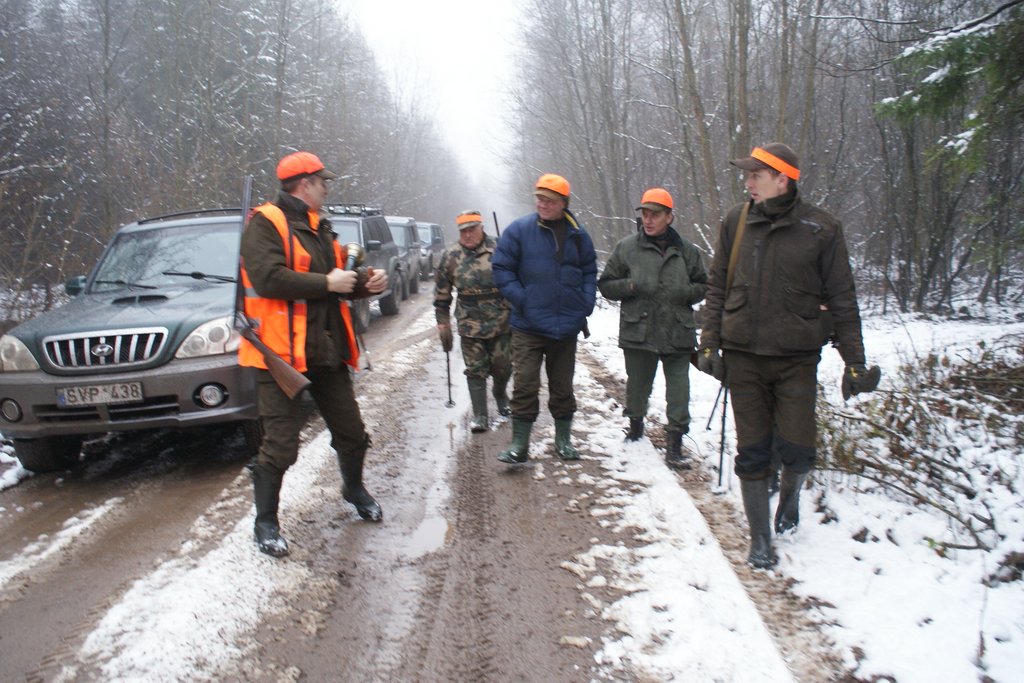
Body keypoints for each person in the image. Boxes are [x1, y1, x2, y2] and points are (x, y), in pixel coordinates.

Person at [698, 143, 880, 569]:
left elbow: (842, 297)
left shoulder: (822, 228)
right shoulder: (736, 222)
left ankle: (791, 497)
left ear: (782, 179)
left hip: (797, 357)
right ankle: (760, 540)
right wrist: (709, 341)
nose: (747, 182)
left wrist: (854, 360)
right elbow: (717, 287)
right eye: (747, 175)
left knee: (798, 450)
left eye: (755, 175)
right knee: (753, 451)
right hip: (743, 355)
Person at [240, 151, 390, 558]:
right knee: (281, 446)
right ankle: (265, 523)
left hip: (327, 350)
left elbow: (338, 279)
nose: (327, 188)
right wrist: (328, 282)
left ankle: (354, 489)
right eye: (323, 182)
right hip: (281, 356)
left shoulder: (318, 226)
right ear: (304, 184)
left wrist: (366, 283)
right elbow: (268, 279)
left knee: (352, 433)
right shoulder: (265, 223)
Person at [598, 188, 708, 469]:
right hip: (640, 329)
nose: (648, 220)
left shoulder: (687, 250)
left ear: (669, 217)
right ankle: (635, 428)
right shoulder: (627, 247)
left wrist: (686, 292)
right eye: (645, 214)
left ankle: (675, 445)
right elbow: (606, 284)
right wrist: (630, 286)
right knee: (637, 385)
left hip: (677, 330)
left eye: (655, 215)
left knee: (679, 391)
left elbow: (704, 284)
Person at [491, 173, 598, 463]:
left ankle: (563, 441)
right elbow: (501, 268)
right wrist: (521, 298)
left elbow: (589, 270)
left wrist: (585, 303)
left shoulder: (578, 235)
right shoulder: (519, 230)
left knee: (562, 387)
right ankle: (519, 445)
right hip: (528, 325)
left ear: (564, 203)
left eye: (549, 200)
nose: (542, 204)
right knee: (525, 384)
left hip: (566, 326)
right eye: (539, 198)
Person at [434, 210, 512, 432]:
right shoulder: (450, 256)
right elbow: (442, 296)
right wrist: (443, 323)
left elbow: (516, 279)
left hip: (501, 319)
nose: (467, 235)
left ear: (481, 228)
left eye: (472, 229)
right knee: (475, 369)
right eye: (463, 231)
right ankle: (480, 415)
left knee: (504, 367)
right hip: (470, 322)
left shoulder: (500, 248)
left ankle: (500, 393)